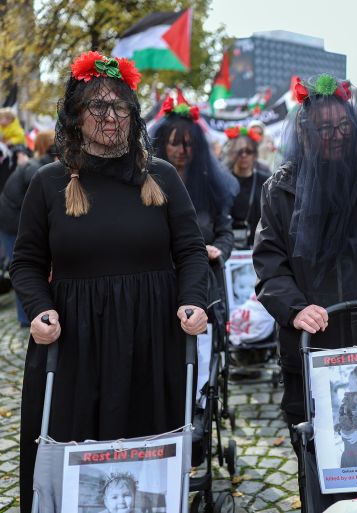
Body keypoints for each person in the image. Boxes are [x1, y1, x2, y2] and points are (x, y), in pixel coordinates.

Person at [10, 52, 209, 513]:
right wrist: (39, 309)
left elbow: (191, 251)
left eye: (120, 106)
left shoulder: (160, 177)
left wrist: (193, 300)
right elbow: (26, 262)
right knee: (74, 447)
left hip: (151, 341)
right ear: (76, 116)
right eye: (98, 106)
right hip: (75, 344)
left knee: (147, 445)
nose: (111, 116)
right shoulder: (49, 183)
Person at [251, 74, 357, 500]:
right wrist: (295, 308)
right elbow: (269, 264)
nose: (336, 135)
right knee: (314, 451)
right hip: (310, 348)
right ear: (305, 133)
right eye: (325, 128)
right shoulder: (280, 189)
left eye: (344, 126)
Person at [151, 96, 238, 263]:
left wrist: (217, 251)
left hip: (206, 270)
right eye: (175, 143)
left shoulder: (210, 186)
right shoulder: (150, 184)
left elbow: (225, 232)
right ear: (163, 144)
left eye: (189, 144)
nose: (182, 150)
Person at [0, 130, 56, 327]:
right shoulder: (36, 169)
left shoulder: (35, 164)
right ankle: (26, 318)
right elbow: (40, 201)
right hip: (10, 221)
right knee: (21, 266)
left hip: (9, 217)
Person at [223, 125, 270, 249]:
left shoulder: (265, 181)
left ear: (254, 155)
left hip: (257, 245)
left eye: (248, 151)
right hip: (227, 245)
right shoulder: (223, 180)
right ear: (232, 153)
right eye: (239, 151)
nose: (244, 155)